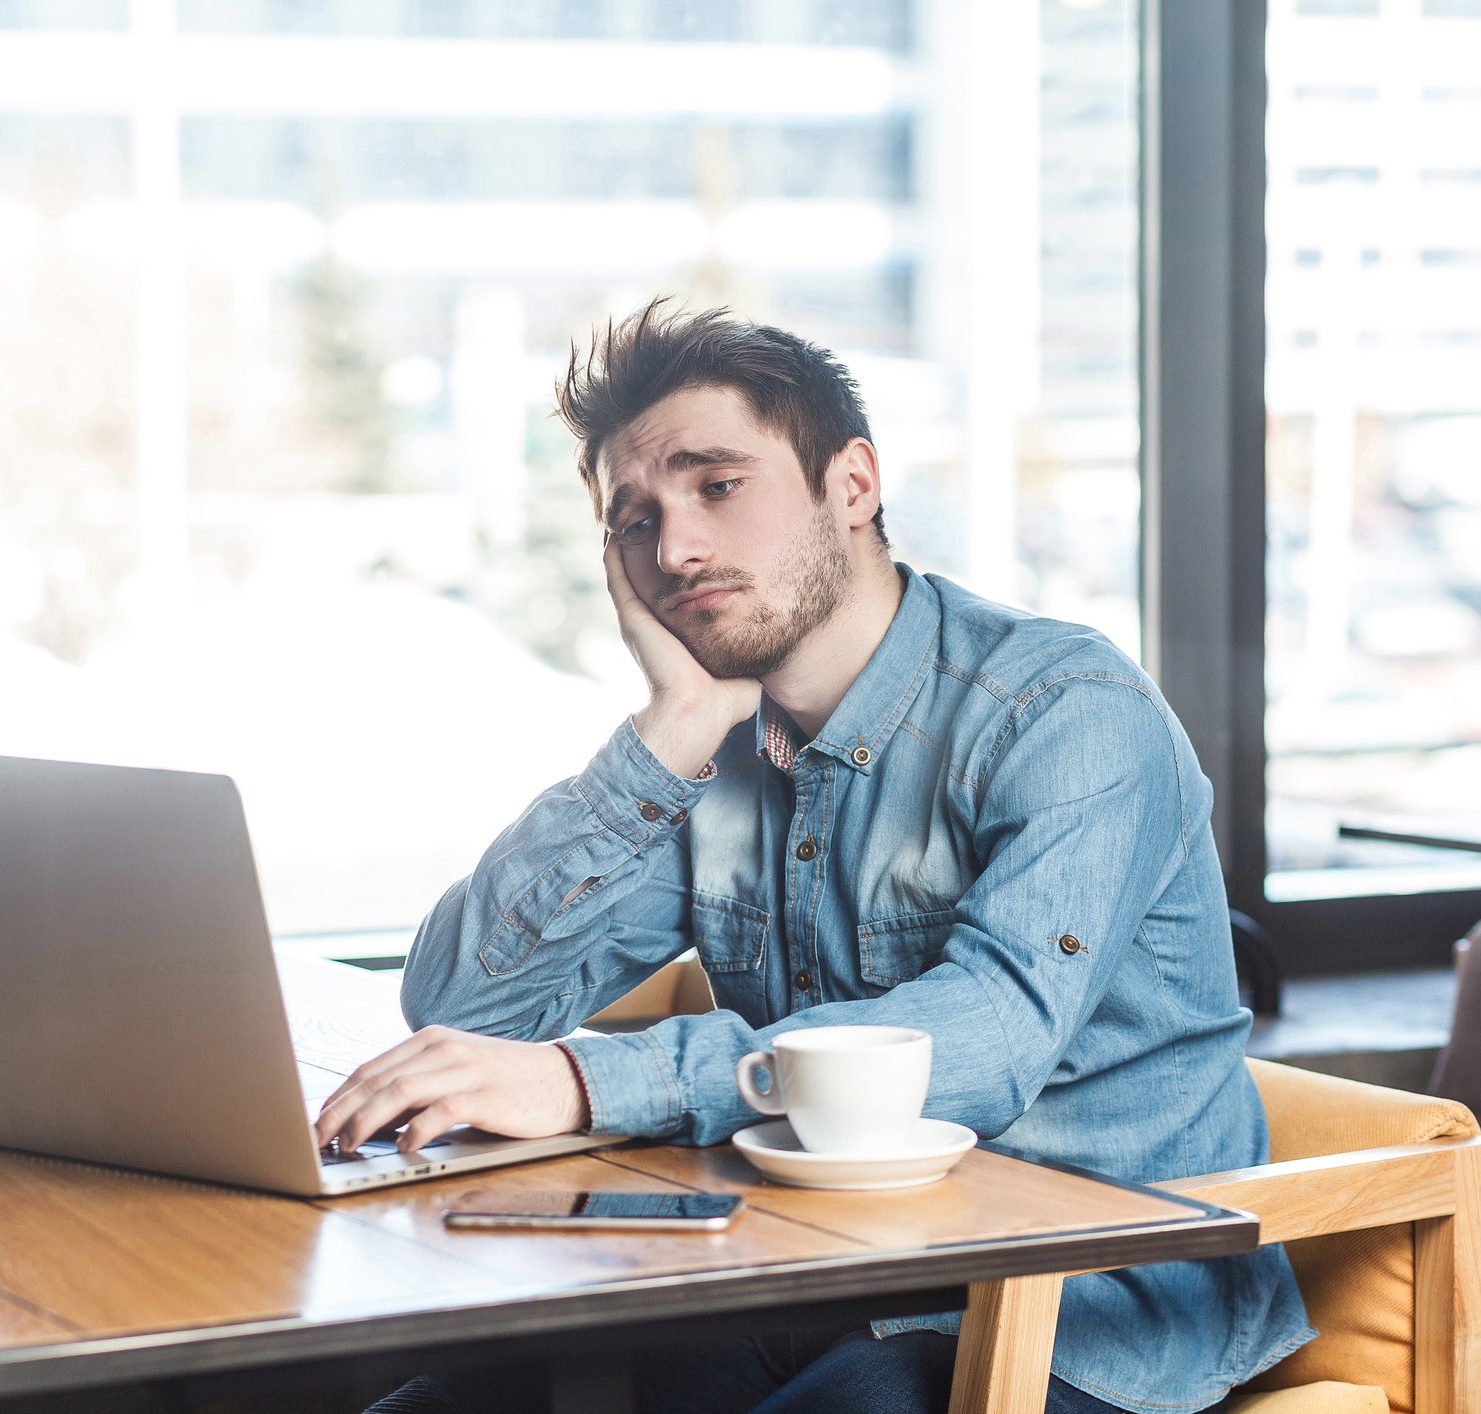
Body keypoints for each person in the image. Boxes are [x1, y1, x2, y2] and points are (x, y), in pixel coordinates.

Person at [323, 301, 1311, 1414]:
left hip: (1077, 1309)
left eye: (717, 485)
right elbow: (465, 1003)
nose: (675, 548)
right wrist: (670, 729)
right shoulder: (719, 751)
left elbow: (989, 1038)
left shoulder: (1065, 711)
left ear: (853, 485)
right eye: (632, 520)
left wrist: (587, 1077)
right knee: (451, 1396)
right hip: (811, 1267)